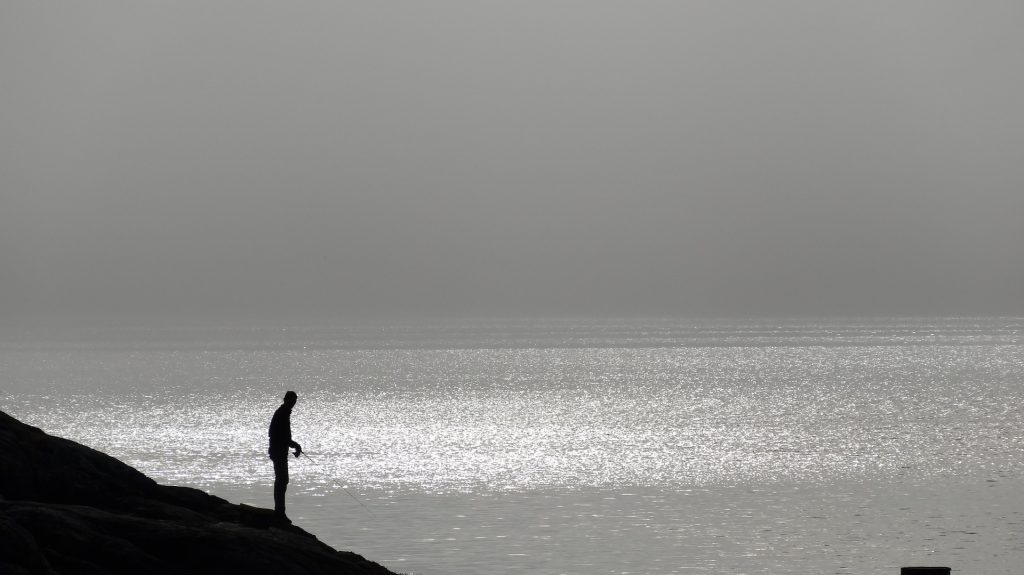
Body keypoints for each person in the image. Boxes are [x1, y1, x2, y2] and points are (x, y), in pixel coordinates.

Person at [268, 390, 302, 521]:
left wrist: (294, 445)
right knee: (282, 480)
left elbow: (284, 436)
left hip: (279, 451)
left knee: (282, 480)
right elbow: (282, 436)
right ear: (286, 400)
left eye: (295, 401)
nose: (293, 403)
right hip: (278, 451)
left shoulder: (284, 413)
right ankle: (279, 512)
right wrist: (296, 445)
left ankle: (280, 511)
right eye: (292, 401)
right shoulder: (282, 413)